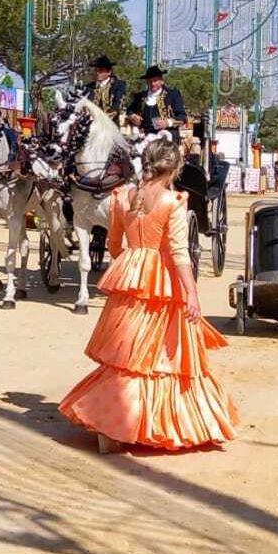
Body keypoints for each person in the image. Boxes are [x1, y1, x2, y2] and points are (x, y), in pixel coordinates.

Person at [60, 140, 239, 453]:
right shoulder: (173, 201)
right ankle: (147, 425)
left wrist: (134, 261)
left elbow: (114, 245)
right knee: (162, 357)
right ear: (174, 169)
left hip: (130, 274)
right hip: (163, 278)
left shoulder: (121, 196)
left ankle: (111, 425)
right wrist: (192, 295)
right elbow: (181, 253)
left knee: (126, 355)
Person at [126, 65, 187, 139]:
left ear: (161, 81)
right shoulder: (141, 96)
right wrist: (133, 117)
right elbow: (129, 111)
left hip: (166, 137)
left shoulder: (172, 95)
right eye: (149, 81)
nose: (152, 84)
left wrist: (168, 123)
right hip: (145, 136)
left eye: (155, 80)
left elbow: (182, 117)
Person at [82, 56, 128, 123]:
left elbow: (117, 105)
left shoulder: (118, 85)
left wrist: (102, 119)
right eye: (96, 70)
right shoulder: (89, 87)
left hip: (111, 123)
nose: (97, 73)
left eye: (100, 71)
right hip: (91, 123)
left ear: (109, 72)